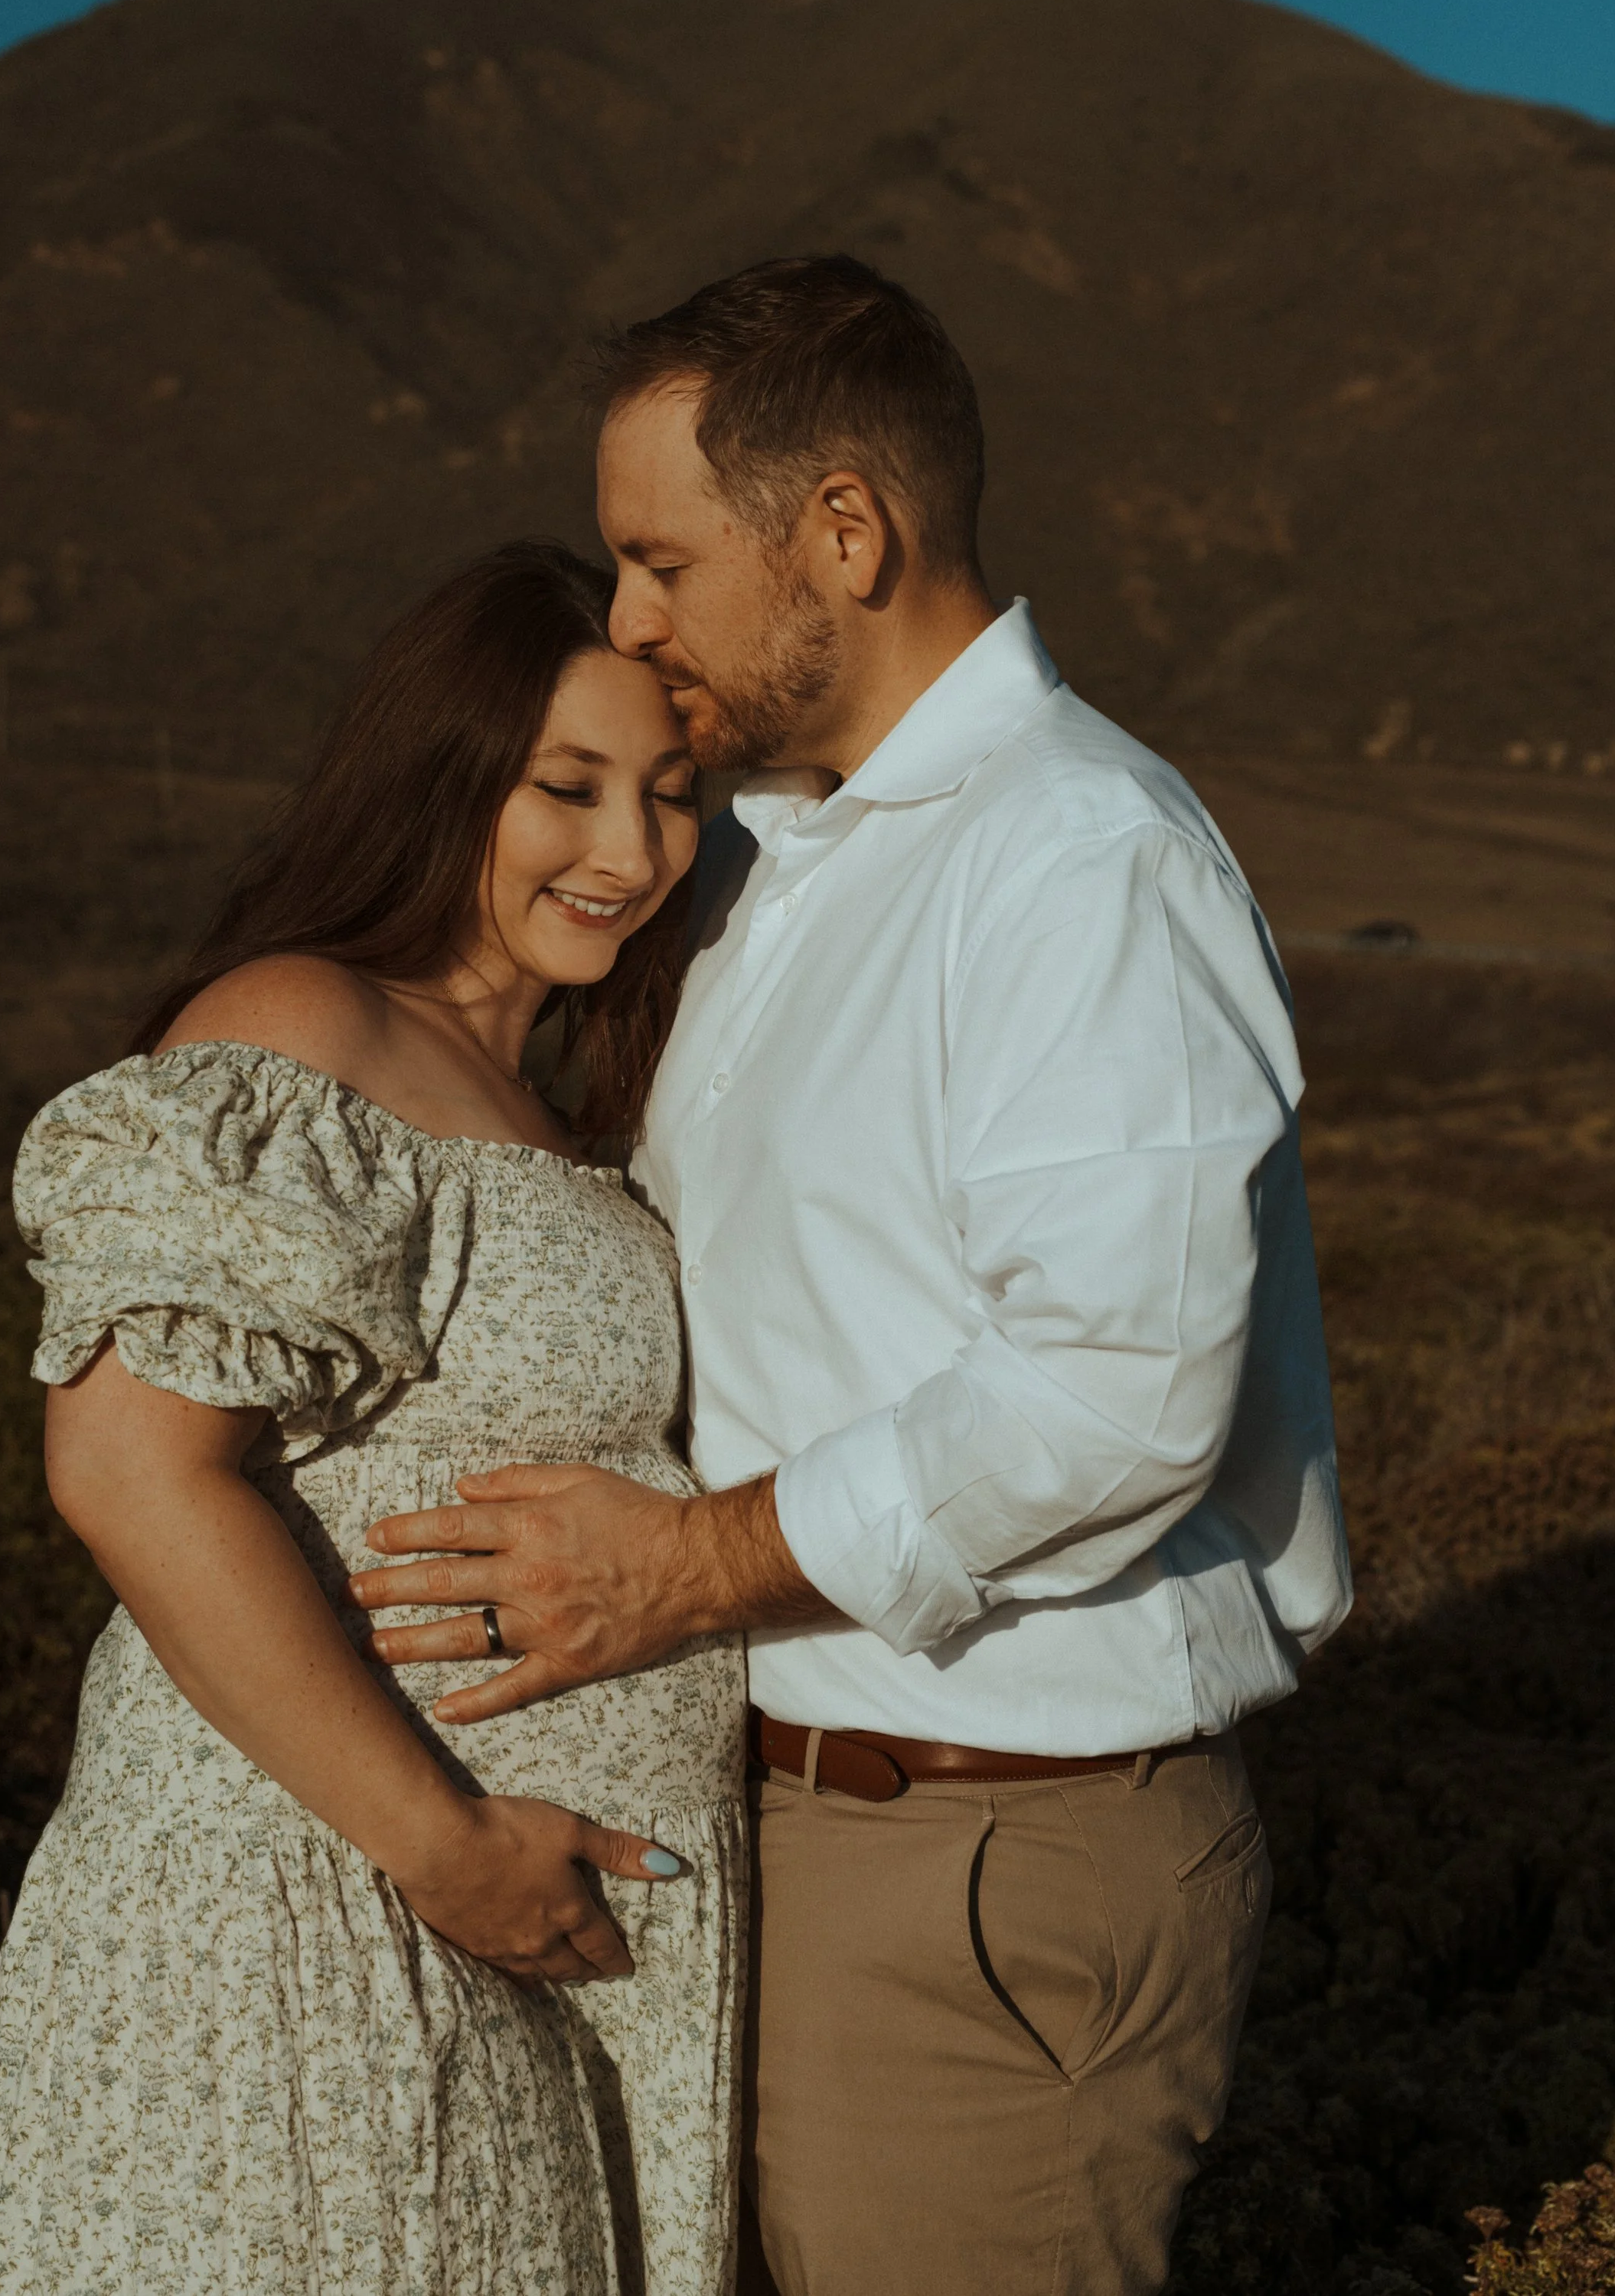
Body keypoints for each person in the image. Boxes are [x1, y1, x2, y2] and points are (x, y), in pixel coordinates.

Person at [351, 256, 1355, 2296]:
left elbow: (1117, 1387)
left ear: (841, 531)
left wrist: (678, 1566)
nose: (626, 619)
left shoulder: (1075, 854)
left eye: (657, 559)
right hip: (763, 1831)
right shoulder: (761, 861)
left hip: (981, 1850)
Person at [0, 542, 748, 2296]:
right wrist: (448, 1850)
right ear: (444, 782)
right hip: (315, 1905)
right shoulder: (308, 1023)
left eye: (669, 795)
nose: (631, 850)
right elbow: (129, 1465)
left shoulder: (532, 1088)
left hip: (464, 1929)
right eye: (566, 787)